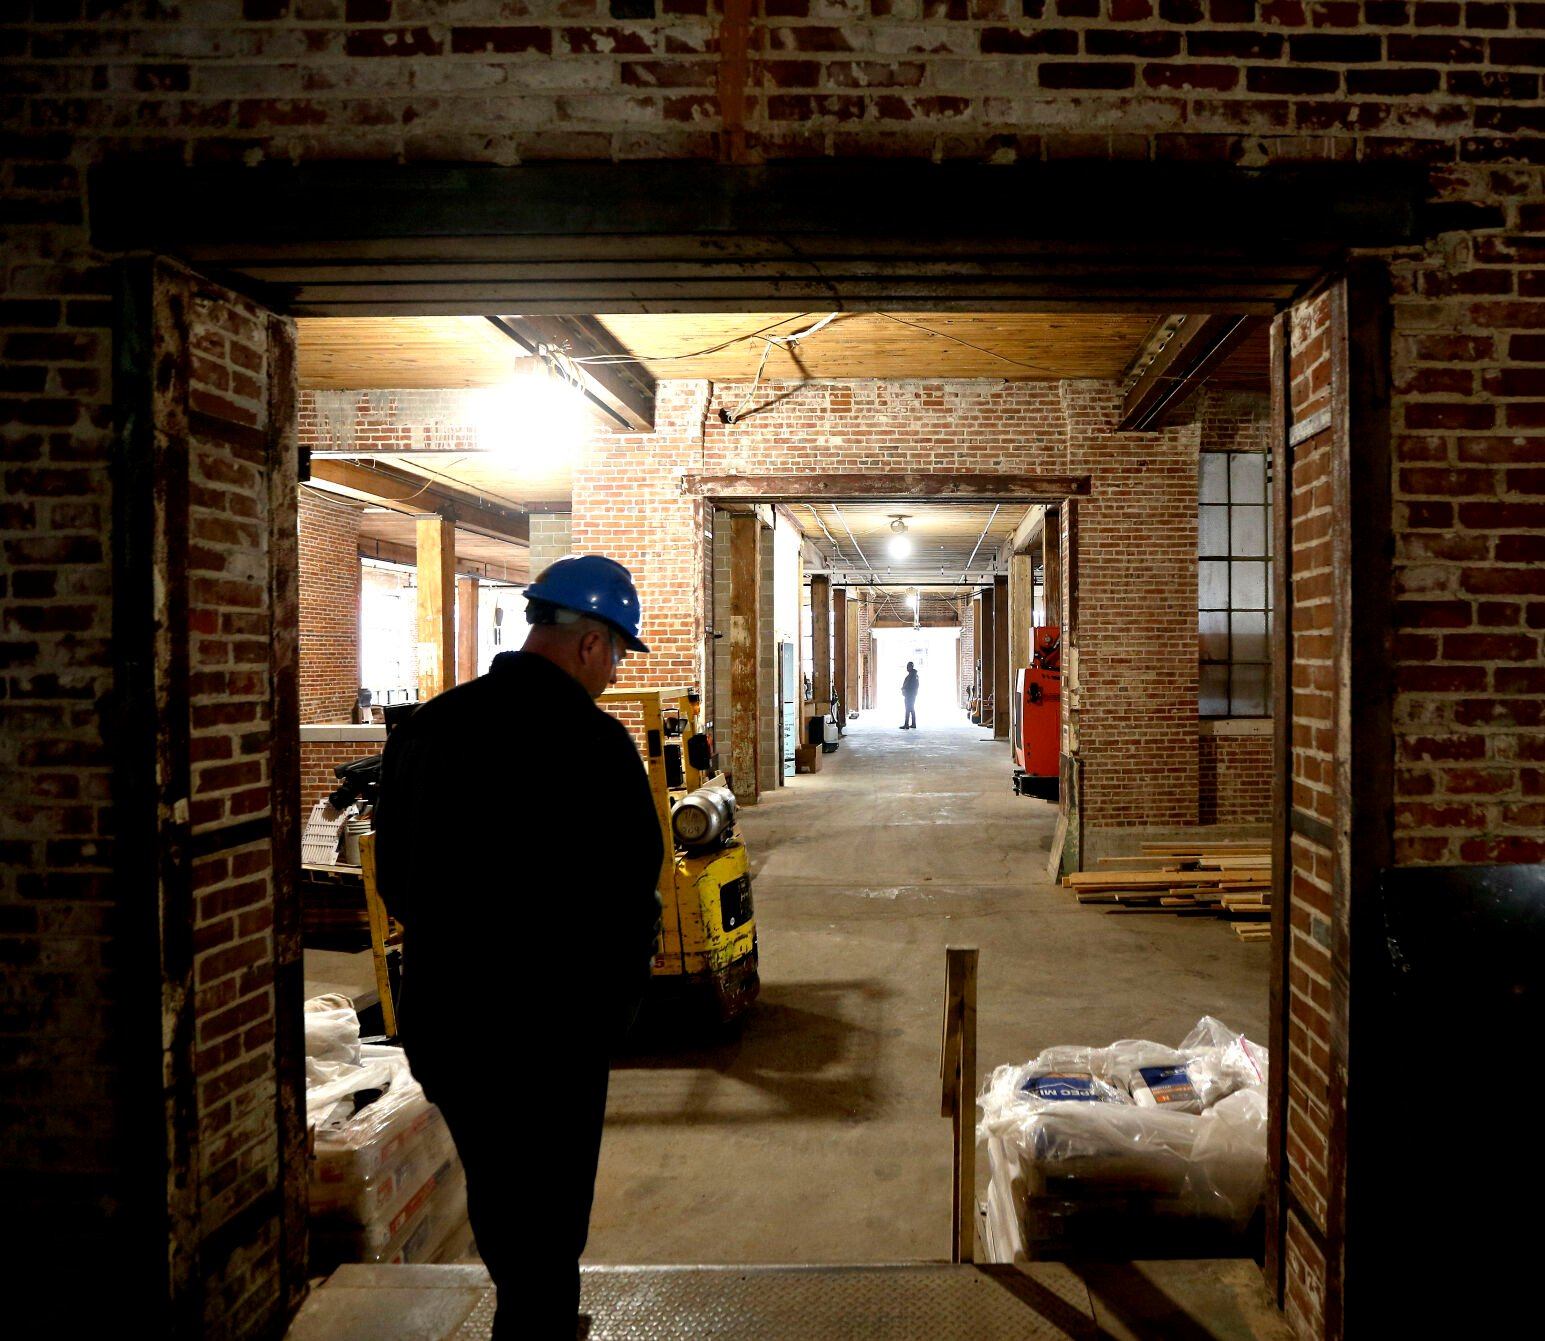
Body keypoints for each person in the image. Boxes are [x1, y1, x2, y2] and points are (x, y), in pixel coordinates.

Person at [373, 554, 664, 1339]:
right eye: (614, 655)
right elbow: (633, 891)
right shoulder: (596, 746)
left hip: (449, 1023)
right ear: (590, 643)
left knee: (499, 1190)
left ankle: (526, 1311)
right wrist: (613, 1014)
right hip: (553, 1031)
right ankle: (534, 1325)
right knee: (551, 1209)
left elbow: (395, 878)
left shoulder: (428, 728)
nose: (609, 674)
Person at [901, 661, 920, 730]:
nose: (907, 668)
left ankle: (907, 724)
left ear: (911, 667)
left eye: (908, 666)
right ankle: (913, 724)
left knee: (908, 708)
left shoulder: (913, 676)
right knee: (911, 708)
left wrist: (906, 690)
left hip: (910, 695)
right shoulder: (911, 675)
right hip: (910, 694)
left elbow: (912, 686)